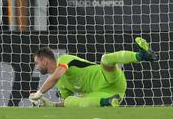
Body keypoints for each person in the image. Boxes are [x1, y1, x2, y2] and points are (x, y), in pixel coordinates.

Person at [29, 37, 158, 107]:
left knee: (105, 59)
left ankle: (141, 55)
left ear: (44, 61)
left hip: (109, 78)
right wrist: (51, 104)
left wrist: (39, 93)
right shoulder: (59, 84)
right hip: (108, 94)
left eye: (36, 63)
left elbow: (56, 76)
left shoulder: (64, 59)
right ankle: (108, 102)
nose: (36, 67)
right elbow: (65, 103)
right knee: (69, 101)